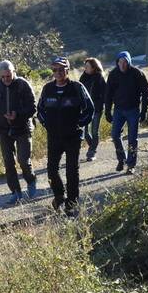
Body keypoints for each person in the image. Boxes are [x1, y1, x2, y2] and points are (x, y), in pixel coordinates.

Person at [37, 56, 94, 217]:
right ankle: (59, 196)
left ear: (67, 70)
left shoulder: (77, 87)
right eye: (55, 70)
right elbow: (40, 110)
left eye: (61, 69)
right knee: (51, 170)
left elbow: (89, 109)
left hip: (73, 137)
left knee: (71, 171)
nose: (58, 72)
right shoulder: (47, 88)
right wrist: (46, 124)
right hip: (54, 137)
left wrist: (79, 124)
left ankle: (71, 203)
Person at [0, 60, 39, 205]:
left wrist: (17, 115)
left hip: (23, 129)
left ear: (14, 72)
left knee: (23, 160)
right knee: (8, 162)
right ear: (0, 76)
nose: (6, 79)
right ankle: (16, 192)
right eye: (3, 77)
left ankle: (31, 182)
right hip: (4, 130)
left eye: (9, 76)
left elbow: (33, 107)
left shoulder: (22, 85)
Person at [103, 51, 148, 175]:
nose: (122, 65)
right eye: (120, 62)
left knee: (132, 138)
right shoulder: (113, 74)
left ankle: (131, 165)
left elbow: (146, 93)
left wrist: (144, 111)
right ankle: (121, 159)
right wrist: (107, 111)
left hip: (133, 110)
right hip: (118, 110)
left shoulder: (137, 73)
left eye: (125, 62)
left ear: (129, 62)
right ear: (117, 62)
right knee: (114, 135)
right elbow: (108, 94)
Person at [79, 57, 106, 162]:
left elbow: (105, 93)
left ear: (94, 68)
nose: (85, 68)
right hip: (85, 109)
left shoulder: (99, 77)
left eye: (87, 67)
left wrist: (100, 104)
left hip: (97, 109)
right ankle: (92, 147)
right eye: (85, 66)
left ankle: (91, 152)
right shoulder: (83, 77)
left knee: (94, 131)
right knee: (85, 133)